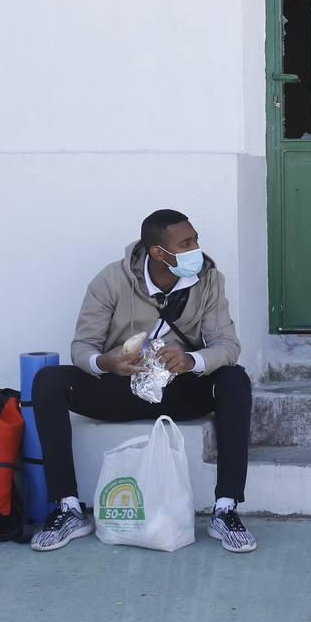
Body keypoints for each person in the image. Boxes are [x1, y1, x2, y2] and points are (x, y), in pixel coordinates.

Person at [29, 209, 255, 553]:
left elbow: (228, 345)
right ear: (157, 253)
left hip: (178, 389)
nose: (197, 248)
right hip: (120, 387)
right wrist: (106, 362)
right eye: (186, 243)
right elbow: (81, 346)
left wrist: (191, 360)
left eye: (195, 239)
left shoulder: (209, 279)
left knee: (235, 379)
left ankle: (225, 510)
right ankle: (68, 508)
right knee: (49, 381)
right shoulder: (110, 280)